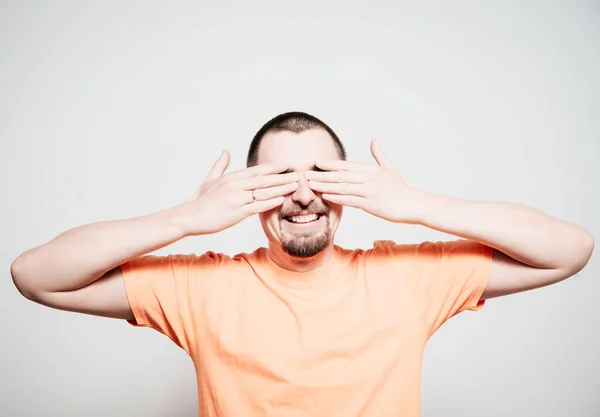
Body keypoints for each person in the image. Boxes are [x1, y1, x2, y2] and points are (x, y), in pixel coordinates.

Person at [11, 111, 594, 416]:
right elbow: (34, 275)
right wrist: (183, 218)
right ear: (247, 192)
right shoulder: (201, 286)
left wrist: (420, 206)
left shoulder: (411, 277)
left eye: (320, 175)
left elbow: (570, 249)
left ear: (348, 187)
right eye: (279, 179)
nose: (303, 195)